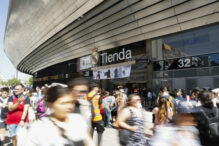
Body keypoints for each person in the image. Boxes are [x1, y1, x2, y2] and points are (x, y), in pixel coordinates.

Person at [24, 85, 94, 146]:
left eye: (71, 102)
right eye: (63, 103)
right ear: (50, 104)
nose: (69, 106)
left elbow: (89, 142)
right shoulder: (39, 127)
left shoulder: (78, 120)